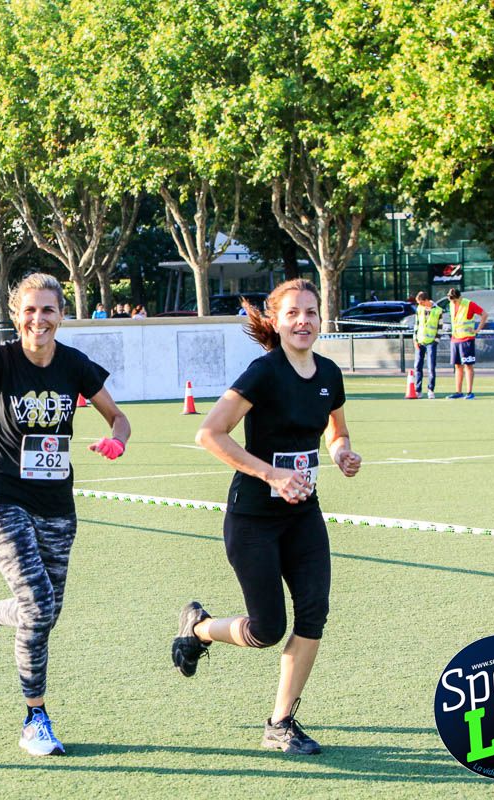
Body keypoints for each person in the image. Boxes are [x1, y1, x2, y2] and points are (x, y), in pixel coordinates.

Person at [0, 271, 131, 756]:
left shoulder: (75, 365)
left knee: (44, 614)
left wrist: (117, 440)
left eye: (47, 310)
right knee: (38, 606)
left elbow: (118, 416)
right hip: (1, 497)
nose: (38, 319)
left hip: (56, 506)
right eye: (29, 310)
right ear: (16, 314)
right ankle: (34, 718)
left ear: (61, 315)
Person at [170, 278, 362, 756]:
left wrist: (342, 454)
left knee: (314, 612)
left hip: (304, 516)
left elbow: (336, 432)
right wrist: (272, 475)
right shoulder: (263, 373)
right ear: (276, 322)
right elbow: (210, 434)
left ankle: (281, 722)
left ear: (321, 320)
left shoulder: (329, 375)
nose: (304, 321)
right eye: (293, 313)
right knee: (266, 628)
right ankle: (196, 627)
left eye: (312, 312)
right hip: (253, 518)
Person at [445, 287, 488, 399]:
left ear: (459, 297)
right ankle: (458, 392)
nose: (453, 302)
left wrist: (477, 330)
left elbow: (484, 314)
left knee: (468, 366)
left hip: (466, 339)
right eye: (451, 300)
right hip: (455, 339)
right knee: (457, 365)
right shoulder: (451, 304)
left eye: (454, 300)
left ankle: (470, 392)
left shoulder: (469, 304)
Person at [412, 291, 443, 399]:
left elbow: (440, 327)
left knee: (431, 367)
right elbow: (416, 324)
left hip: (431, 343)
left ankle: (430, 390)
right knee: (418, 366)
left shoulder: (438, 310)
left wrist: (436, 341)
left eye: (420, 302)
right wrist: (415, 339)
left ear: (426, 301)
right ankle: (418, 390)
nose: (419, 305)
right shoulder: (419, 309)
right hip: (420, 342)